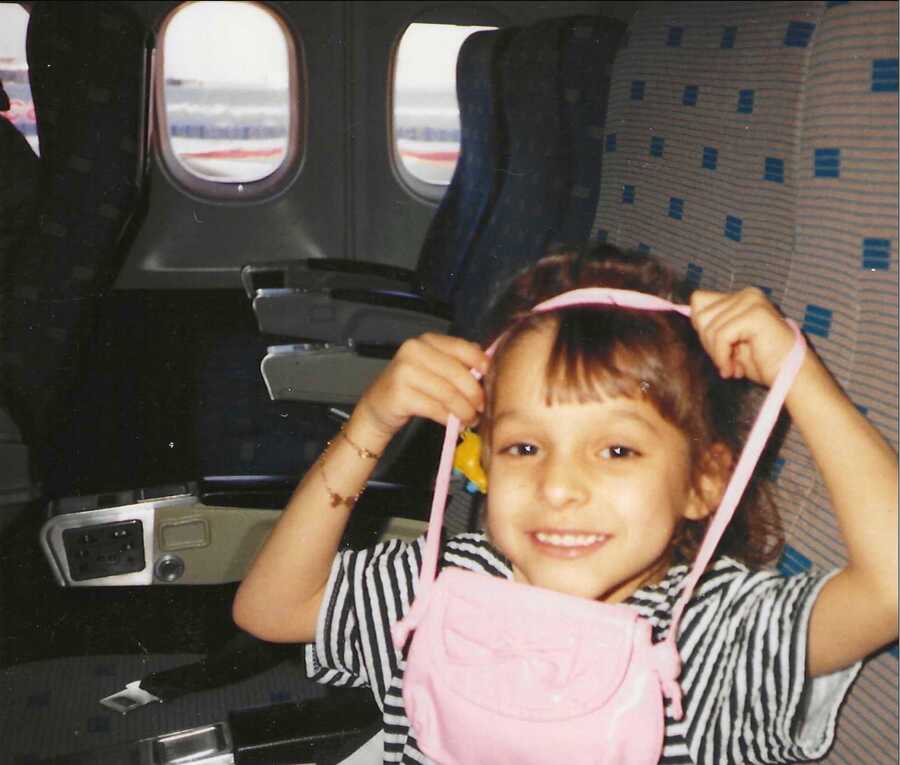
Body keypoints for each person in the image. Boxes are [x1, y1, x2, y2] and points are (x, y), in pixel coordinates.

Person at [233, 245, 898, 764]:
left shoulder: (712, 632)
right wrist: (372, 422)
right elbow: (270, 607)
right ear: (485, 459)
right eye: (524, 447)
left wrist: (798, 376)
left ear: (705, 481)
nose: (557, 486)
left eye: (616, 451)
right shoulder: (445, 583)